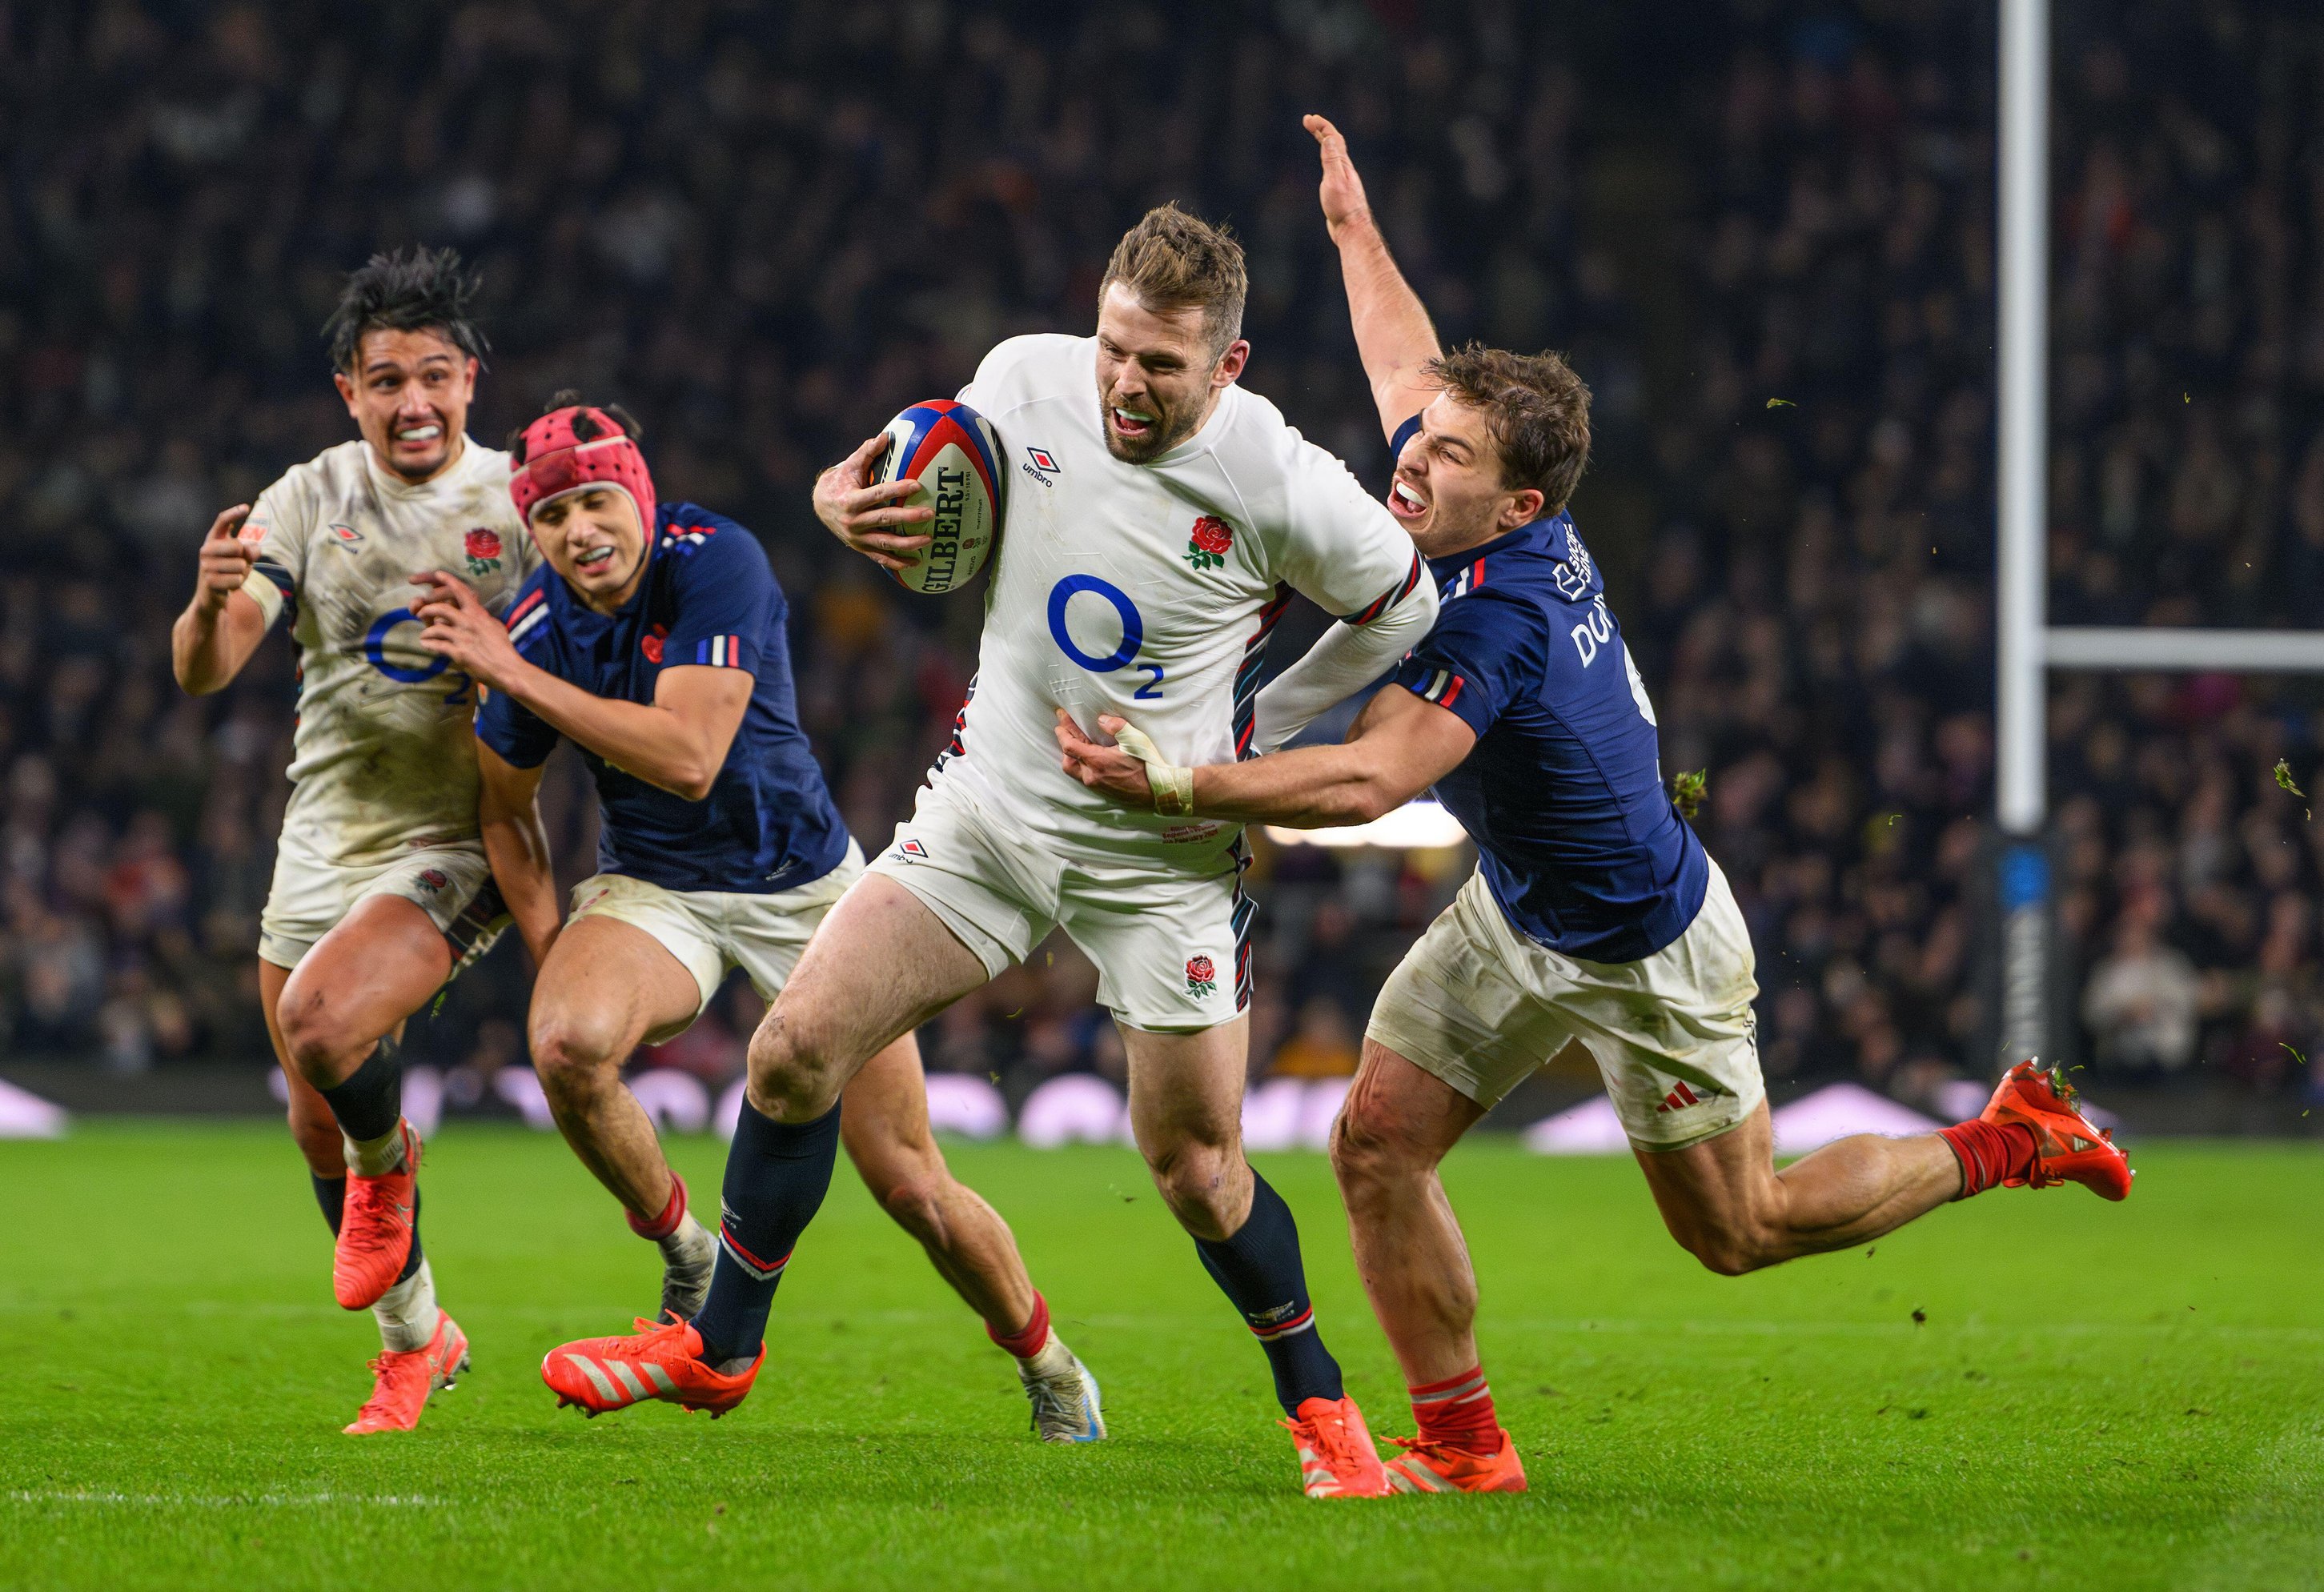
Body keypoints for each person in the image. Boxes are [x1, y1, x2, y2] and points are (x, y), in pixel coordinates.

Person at [1054, 117, 2133, 1497]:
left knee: (1740, 1228)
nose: (1410, 461)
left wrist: (1183, 780)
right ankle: (1465, 1445)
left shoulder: (1496, 618)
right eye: (1423, 440)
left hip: (1643, 941)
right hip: (1519, 910)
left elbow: (1373, 776)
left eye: (1445, 456)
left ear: (1516, 504)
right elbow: (1403, 359)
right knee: (1375, 1145)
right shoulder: (1471, 510)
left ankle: (2011, 1136)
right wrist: (1351, 229)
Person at [538, 205, 1439, 1498]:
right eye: (1114, 348)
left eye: (1162, 364)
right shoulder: (1022, 377)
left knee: (1195, 1169)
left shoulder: (1283, 481)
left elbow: (1405, 600)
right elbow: (913, 471)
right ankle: (719, 1345)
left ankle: (1321, 1406)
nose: (1125, 383)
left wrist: (1266, 720)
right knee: (791, 1053)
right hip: (992, 811)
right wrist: (836, 500)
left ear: (1228, 365)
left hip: (1161, 852)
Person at [411, 396, 1105, 1442]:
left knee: (909, 1181)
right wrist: (557, 951)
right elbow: (505, 811)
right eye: (551, 516)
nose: (579, 530)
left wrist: (509, 673)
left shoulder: (714, 559)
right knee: (563, 1043)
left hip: (808, 889)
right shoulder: (535, 629)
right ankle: (686, 1250)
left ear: (640, 494)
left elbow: (691, 757)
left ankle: (1050, 1365)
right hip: (658, 890)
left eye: (597, 501)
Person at [168, 247, 537, 1434]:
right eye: (386, 381)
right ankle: (417, 1343)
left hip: (457, 833)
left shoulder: (520, 502)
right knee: (311, 1115)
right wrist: (206, 600)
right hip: (325, 827)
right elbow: (210, 664)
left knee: (324, 1027)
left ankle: (391, 1165)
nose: (412, 402)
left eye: (433, 376)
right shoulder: (309, 496)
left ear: (470, 378)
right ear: (350, 392)